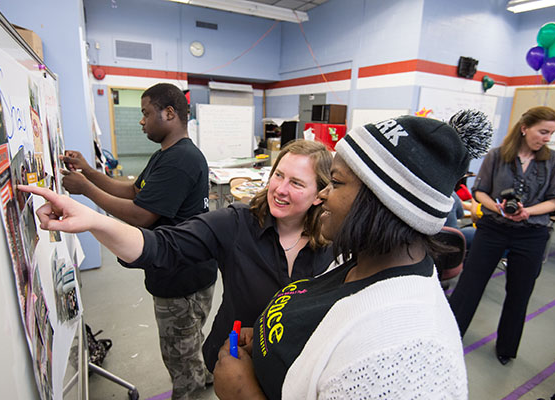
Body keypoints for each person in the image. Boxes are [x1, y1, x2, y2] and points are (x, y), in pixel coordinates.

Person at [211, 110, 493, 399]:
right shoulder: (360, 259)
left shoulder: (407, 358)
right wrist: (263, 337)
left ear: (381, 202)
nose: (321, 196)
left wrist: (243, 393)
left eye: (336, 182)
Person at [21, 139, 334, 373]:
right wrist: (93, 220)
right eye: (278, 176)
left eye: (296, 183)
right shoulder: (237, 223)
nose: (279, 189)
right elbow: (160, 246)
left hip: (295, 362)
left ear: (321, 194)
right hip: (236, 355)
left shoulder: (334, 241)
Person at [60, 83, 218, 399]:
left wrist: (86, 191)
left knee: (178, 352)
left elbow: (141, 215)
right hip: (180, 268)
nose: (142, 121)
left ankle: (189, 388)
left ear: (169, 113)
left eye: (146, 113)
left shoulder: (181, 160)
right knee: (187, 341)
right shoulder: (166, 155)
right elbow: (135, 192)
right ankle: (199, 374)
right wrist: (89, 173)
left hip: (183, 276)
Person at [449, 106, 555, 366]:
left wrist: (527, 212)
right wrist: (498, 207)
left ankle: (506, 348)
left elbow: (554, 201)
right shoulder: (497, 156)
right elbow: (480, 192)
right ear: (525, 128)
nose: (547, 138)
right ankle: (452, 335)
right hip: (493, 229)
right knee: (469, 285)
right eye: (543, 131)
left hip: (532, 234)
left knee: (519, 292)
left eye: (552, 133)